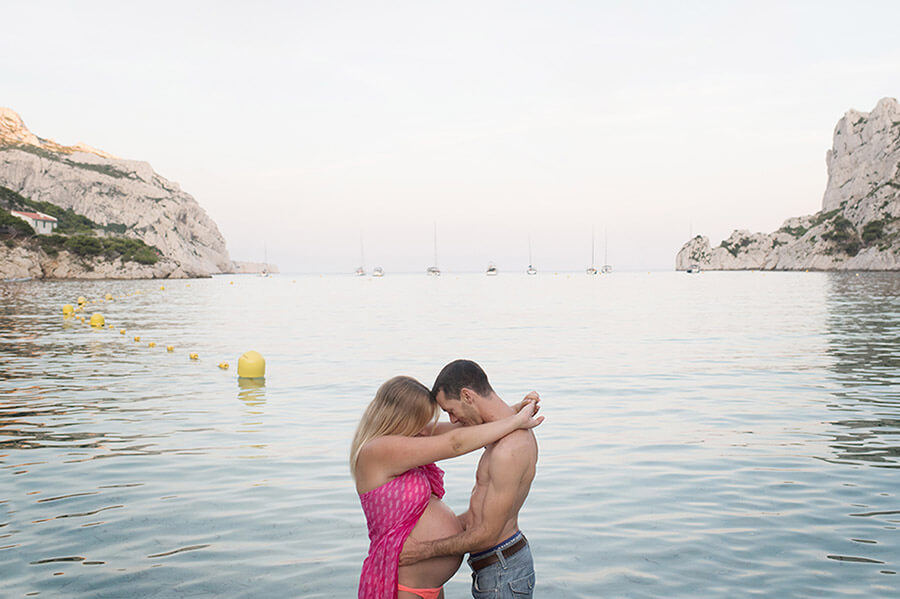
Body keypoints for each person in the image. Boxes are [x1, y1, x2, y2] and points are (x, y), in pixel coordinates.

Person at [351, 375, 543, 599]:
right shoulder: (377, 449)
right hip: (403, 585)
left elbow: (463, 429)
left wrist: (513, 411)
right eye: (420, 420)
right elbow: (455, 443)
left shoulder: (405, 441)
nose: (425, 429)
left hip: (428, 585)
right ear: (400, 418)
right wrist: (516, 421)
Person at [399, 360, 540, 598]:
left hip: (503, 574)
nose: (452, 420)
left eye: (450, 411)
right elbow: (428, 432)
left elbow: (487, 532)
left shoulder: (508, 450)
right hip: (499, 568)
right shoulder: (502, 434)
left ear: (467, 396)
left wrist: (422, 551)